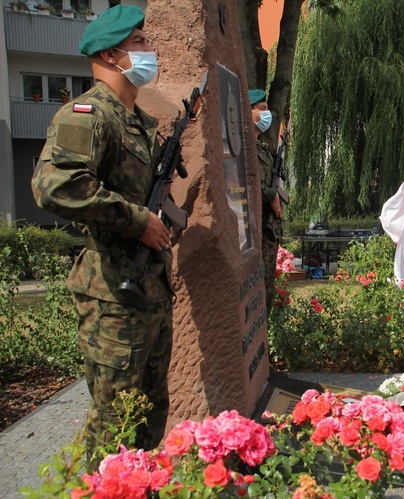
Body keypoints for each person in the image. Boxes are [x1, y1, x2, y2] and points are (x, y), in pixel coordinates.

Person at [30, 5, 174, 467]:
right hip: (112, 293)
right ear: (112, 55)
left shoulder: (136, 122)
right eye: (139, 42)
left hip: (147, 290)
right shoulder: (88, 114)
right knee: (113, 423)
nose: (149, 50)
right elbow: (56, 185)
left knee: (148, 415)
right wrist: (138, 220)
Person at [249, 89, 283, 317]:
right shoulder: (240, 146)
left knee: (265, 292)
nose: (267, 114)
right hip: (254, 228)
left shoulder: (260, 147)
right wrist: (272, 196)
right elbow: (244, 184)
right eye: (261, 109)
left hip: (266, 230)